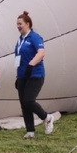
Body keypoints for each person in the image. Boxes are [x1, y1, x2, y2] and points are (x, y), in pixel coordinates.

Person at [14, 11, 54, 139]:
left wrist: (31, 65)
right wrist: (18, 76)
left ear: (28, 24)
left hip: (35, 74)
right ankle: (30, 131)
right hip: (22, 76)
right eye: (17, 24)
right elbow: (18, 58)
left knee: (29, 101)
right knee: (23, 104)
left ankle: (47, 117)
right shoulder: (20, 40)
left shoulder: (35, 37)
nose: (18, 26)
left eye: (20, 24)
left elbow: (41, 53)